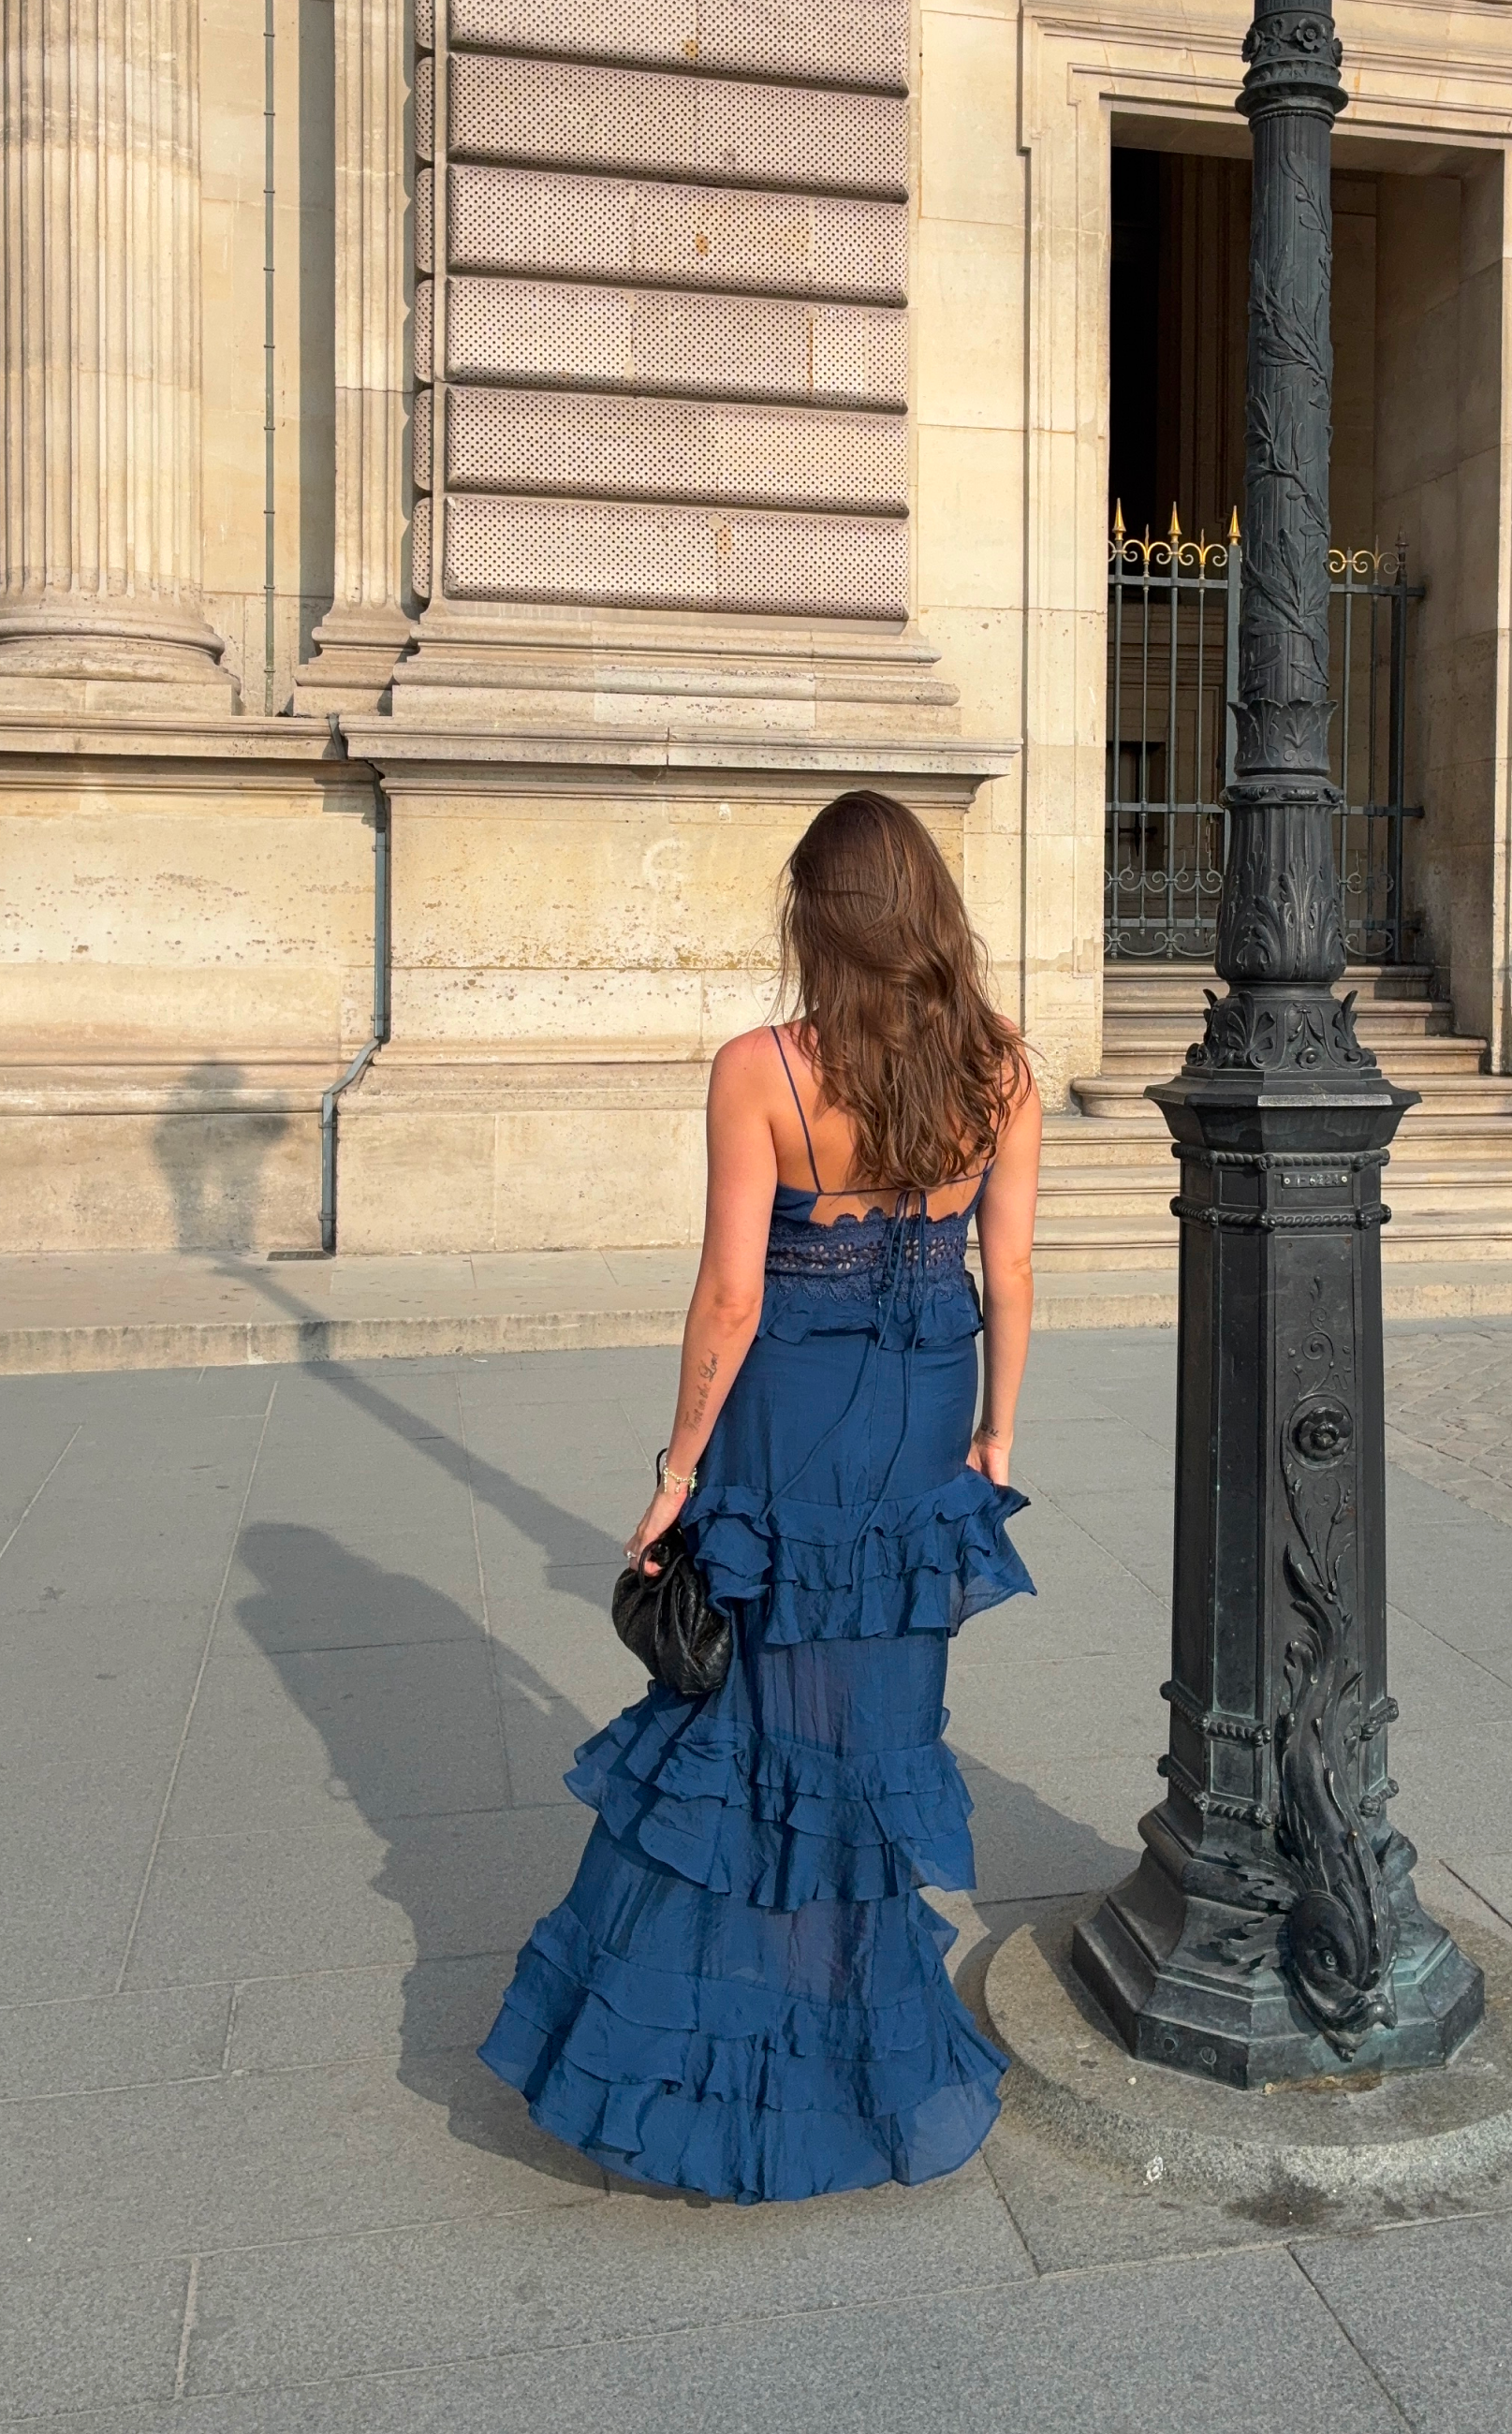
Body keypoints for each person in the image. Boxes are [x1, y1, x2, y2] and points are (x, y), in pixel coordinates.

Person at [479, 789, 1040, 2203]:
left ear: (815, 918)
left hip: (788, 1420)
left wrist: (676, 1474)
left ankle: (712, 2049)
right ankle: (858, 2042)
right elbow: (1014, 1270)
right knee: (876, 1722)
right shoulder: (1000, 1070)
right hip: (926, 1418)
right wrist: (997, 1435)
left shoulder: (764, 1071)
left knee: (749, 1721)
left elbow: (732, 1294)